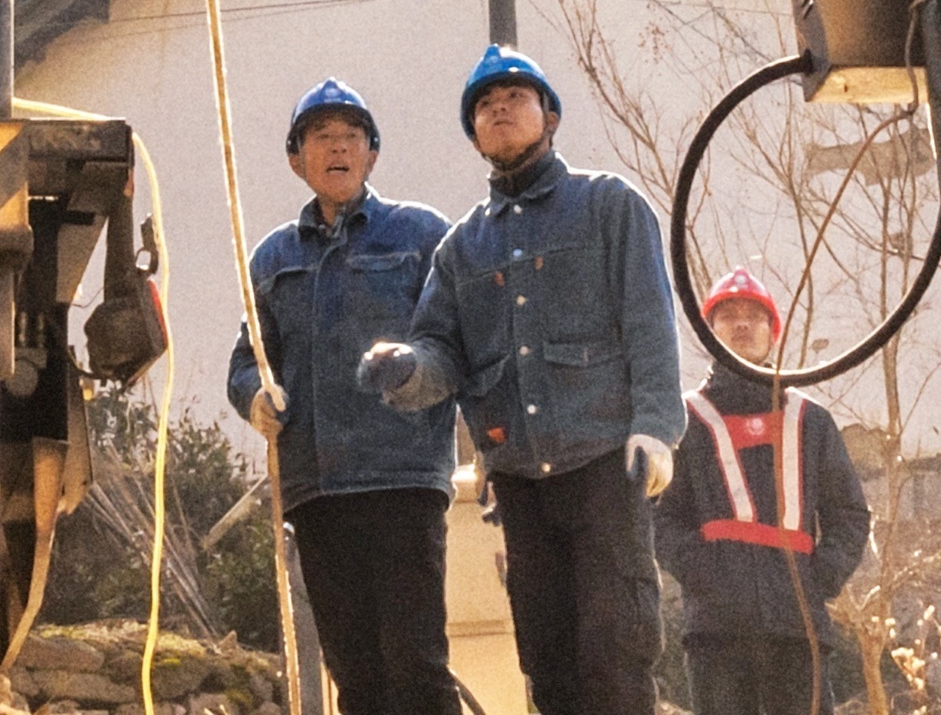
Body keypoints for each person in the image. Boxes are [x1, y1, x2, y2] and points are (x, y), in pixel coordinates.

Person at [359, 47, 685, 715]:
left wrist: (656, 428)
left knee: (614, 647)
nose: (499, 108)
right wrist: (407, 369)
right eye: (484, 104)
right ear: (474, 133)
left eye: (515, 96)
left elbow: (649, 321)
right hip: (518, 481)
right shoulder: (460, 251)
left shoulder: (609, 207)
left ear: (550, 115)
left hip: (604, 463)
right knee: (546, 657)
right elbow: (440, 352)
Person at [225, 79, 456, 715]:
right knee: (355, 674)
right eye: (320, 137)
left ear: (372, 155)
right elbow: (247, 361)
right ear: (297, 159)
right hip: (317, 488)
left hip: (402, 479)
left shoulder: (420, 235)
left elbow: (457, 343)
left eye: (351, 136)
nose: (337, 147)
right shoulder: (273, 257)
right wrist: (256, 396)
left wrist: (415, 370)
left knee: (416, 663)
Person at [651, 271, 869, 715]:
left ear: (774, 332)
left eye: (754, 316)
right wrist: (705, 574)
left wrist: (818, 579)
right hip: (717, 634)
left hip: (798, 631)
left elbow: (850, 514)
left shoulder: (812, 421)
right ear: (710, 332)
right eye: (728, 316)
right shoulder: (683, 421)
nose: (742, 325)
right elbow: (661, 516)